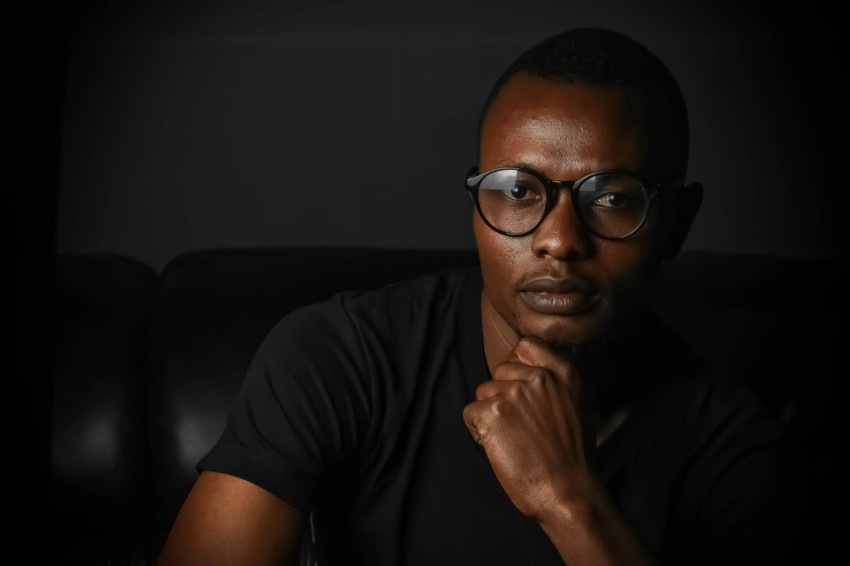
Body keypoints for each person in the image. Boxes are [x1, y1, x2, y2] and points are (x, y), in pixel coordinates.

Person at [156, 28, 800, 565]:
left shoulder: (732, 449)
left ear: (678, 223)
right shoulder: (339, 356)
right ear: (475, 206)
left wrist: (567, 497)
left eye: (610, 197)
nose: (558, 241)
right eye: (518, 191)